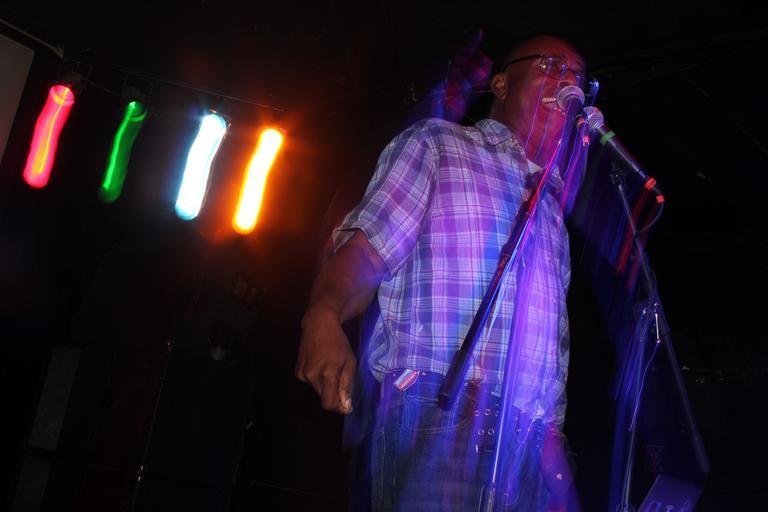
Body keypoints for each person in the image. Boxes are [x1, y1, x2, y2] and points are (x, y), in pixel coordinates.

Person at [296, 35, 587, 511]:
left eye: (577, 75)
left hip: (527, 450)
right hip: (439, 413)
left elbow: (550, 359)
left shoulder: (552, 208)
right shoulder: (439, 144)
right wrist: (324, 313)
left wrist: (558, 477)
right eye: (552, 65)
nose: (569, 81)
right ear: (501, 84)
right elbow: (368, 250)